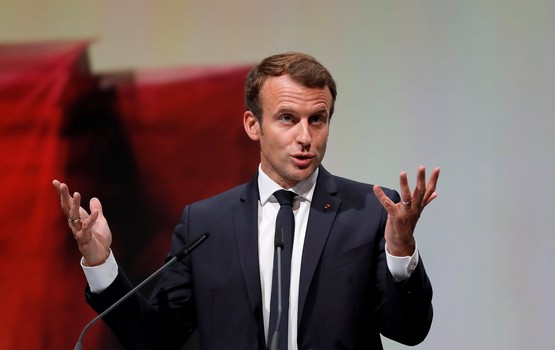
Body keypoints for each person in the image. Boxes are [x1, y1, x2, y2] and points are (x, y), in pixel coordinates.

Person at [53, 52, 440, 350]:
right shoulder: (205, 224)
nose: (306, 137)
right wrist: (100, 262)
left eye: (317, 119)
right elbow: (155, 338)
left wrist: (401, 250)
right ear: (253, 125)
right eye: (288, 118)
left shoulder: (370, 212)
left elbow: (409, 331)